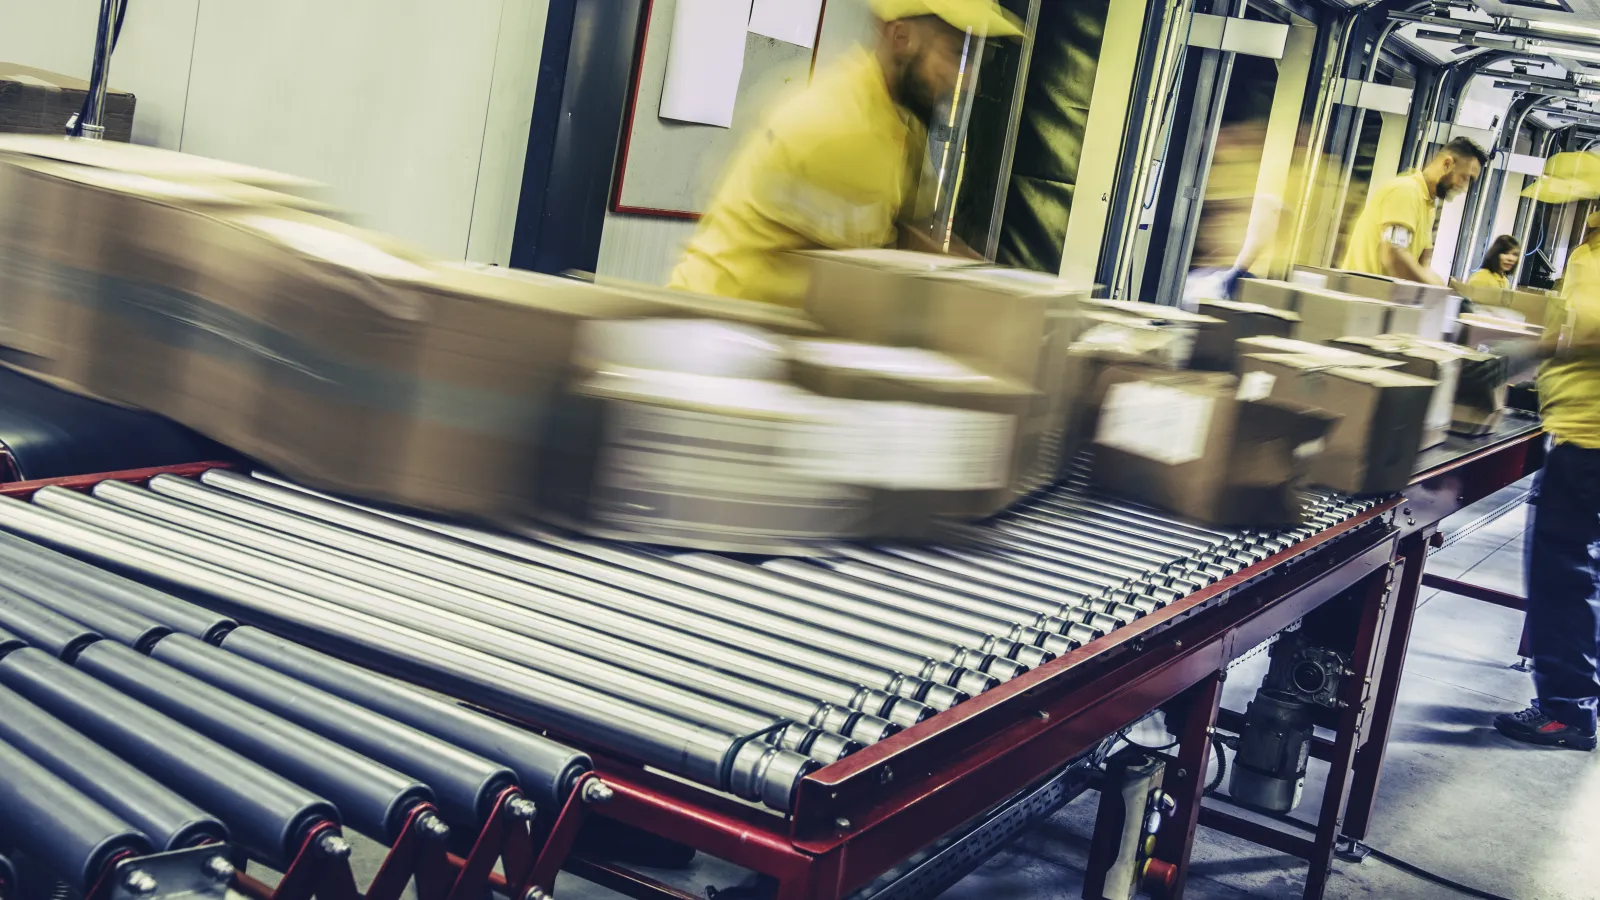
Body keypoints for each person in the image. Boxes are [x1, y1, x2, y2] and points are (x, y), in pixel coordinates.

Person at [668, 0, 1021, 307]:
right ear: (901, 38)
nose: (969, 78)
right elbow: (868, 293)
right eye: (958, 55)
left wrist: (999, 286)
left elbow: (913, 232)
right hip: (713, 328)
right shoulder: (843, 128)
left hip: (755, 332)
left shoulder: (894, 121)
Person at [1490, 211, 1600, 751]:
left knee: (1564, 576)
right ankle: (1571, 702)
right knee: (1573, 572)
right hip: (1580, 431)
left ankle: (1567, 711)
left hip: (1589, 439)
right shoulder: (1587, 254)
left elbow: (1590, 330)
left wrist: (1529, 352)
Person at [1340, 137, 1489, 285]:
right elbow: (1393, 255)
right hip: (1361, 291)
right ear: (1447, 164)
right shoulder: (1407, 191)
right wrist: (1435, 291)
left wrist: (1448, 290)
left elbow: (1422, 265)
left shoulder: (1428, 206)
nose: (1464, 187)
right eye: (1464, 177)